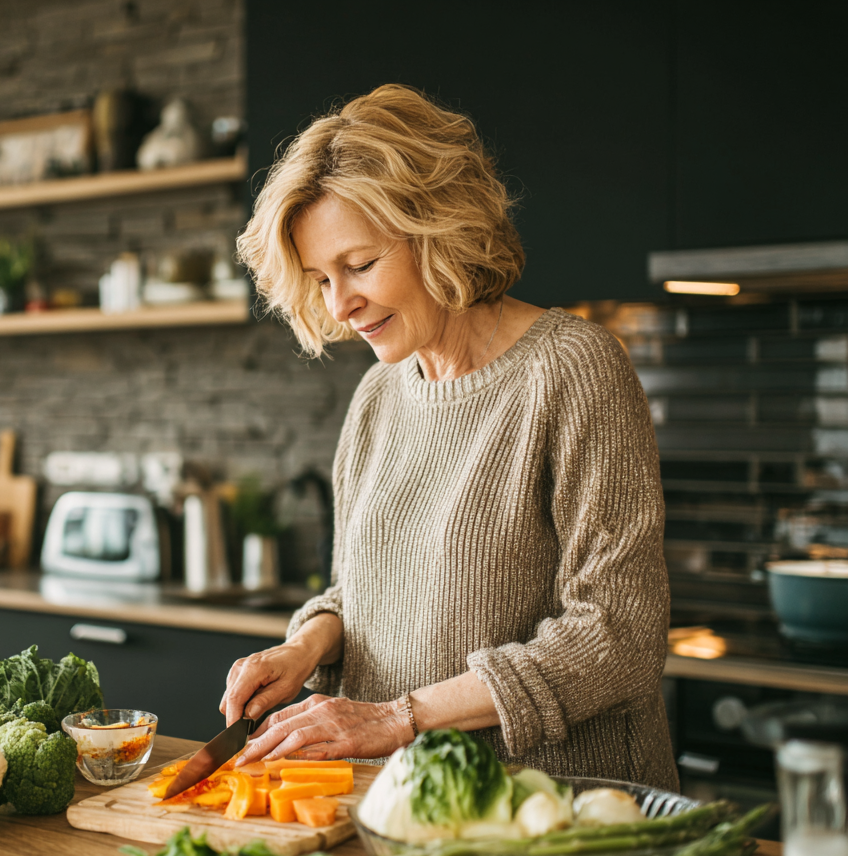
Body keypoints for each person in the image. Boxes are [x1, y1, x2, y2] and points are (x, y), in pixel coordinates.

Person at [222, 84, 678, 789]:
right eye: (319, 279)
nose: (339, 304)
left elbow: (618, 635)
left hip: (557, 816)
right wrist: (304, 648)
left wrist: (398, 717)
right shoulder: (379, 394)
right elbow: (365, 592)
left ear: (438, 229)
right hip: (400, 807)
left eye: (360, 265)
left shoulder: (573, 370)